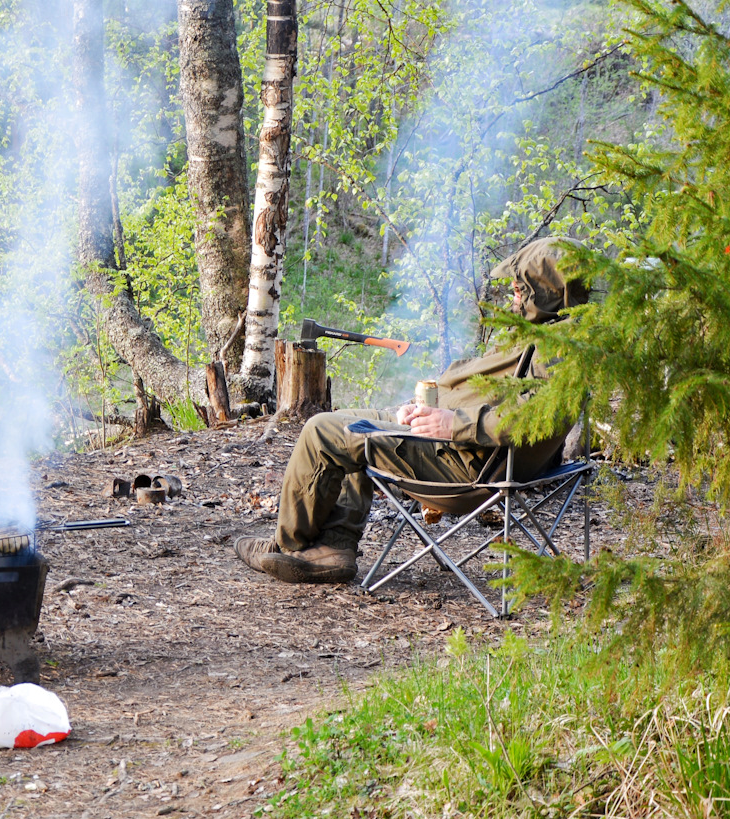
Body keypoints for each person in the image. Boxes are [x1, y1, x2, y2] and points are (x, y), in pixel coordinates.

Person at [234, 238, 588, 585]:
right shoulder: (548, 334)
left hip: (464, 465)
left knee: (321, 430)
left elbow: (533, 416)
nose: (513, 298)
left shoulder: (560, 351)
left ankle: (287, 546)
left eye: (519, 291)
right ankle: (334, 546)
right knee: (355, 423)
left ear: (547, 292)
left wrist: (453, 423)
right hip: (458, 447)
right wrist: (427, 409)